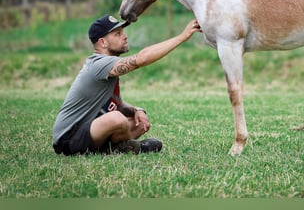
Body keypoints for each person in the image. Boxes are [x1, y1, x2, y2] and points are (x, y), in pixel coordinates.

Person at [52, 14, 202, 156]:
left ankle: (112, 148)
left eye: (122, 32)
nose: (125, 36)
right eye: (117, 34)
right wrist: (182, 37)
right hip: (69, 138)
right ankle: (130, 148)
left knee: (138, 123)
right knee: (117, 119)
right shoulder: (99, 64)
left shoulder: (108, 64)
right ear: (102, 42)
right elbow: (141, 59)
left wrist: (137, 110)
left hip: (90, 131)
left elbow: (118, 104)